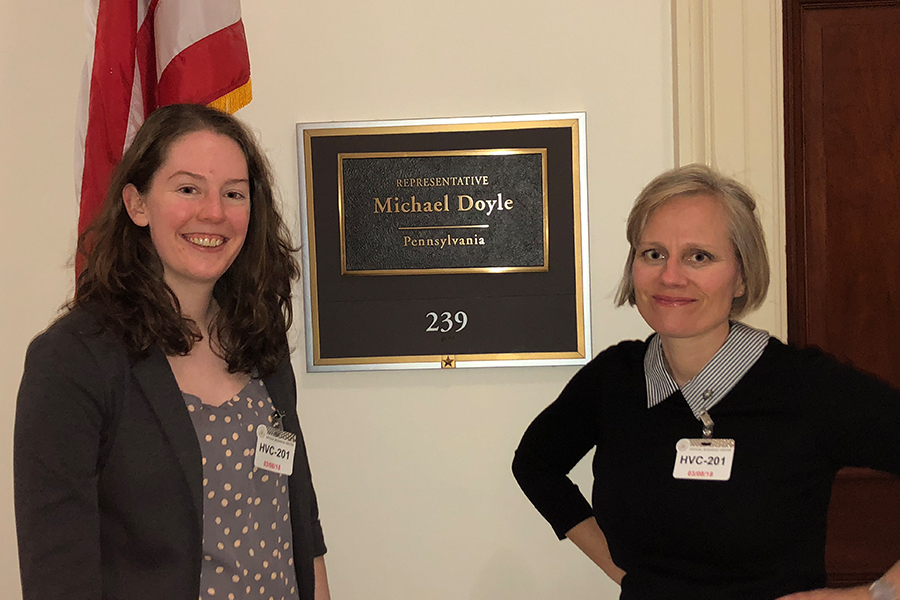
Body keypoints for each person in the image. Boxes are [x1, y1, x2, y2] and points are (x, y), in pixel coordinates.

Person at [512, 164, 900, 600]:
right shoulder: (615, 380)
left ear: (742, 276)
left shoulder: (807, 388)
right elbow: (535, 464)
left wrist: (875, 594)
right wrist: (626, 575)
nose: (671, 276)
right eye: (653, 253)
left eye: (699, 256)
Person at [15, 104, 330, 600]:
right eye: (188, 189)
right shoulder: (73, 360)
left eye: (234, 194)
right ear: (138, 204)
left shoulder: (259, 341)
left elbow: (300, 523)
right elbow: (57, 571)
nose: (214, 212)